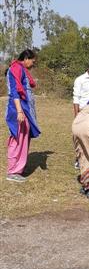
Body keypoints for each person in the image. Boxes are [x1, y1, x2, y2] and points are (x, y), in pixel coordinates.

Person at [5, 49, 40, 182]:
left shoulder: (22, 70)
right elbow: (14, 91)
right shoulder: (16, 69)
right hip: (17, 110)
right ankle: (12, 171)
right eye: (32, 61)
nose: (32, 64)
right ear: (26, 58)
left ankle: (19, 168)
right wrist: (19, 111)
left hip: (24, 109)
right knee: (17, 138)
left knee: (24, 138)